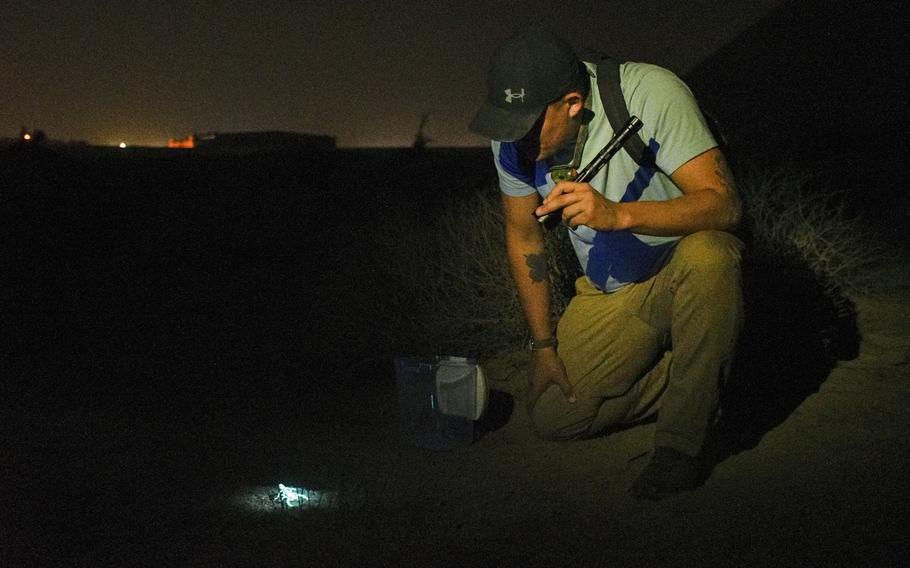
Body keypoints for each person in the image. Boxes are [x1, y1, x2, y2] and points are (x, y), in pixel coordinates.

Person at [469, 28, 744, 499]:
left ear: (573, 103)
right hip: (613, 290)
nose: (515, 141)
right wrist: (542, 346)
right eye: (505, 123)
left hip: (684, 268)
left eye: (528, 126)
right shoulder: (513, 136)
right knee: (557, 414)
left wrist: (619, 215)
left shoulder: (650, 92)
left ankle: (682, 444)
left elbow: (725, 206)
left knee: (710, 254)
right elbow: (523, 236)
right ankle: (711, 370)